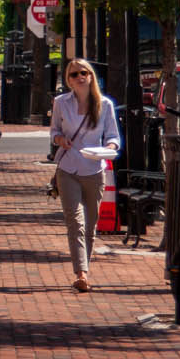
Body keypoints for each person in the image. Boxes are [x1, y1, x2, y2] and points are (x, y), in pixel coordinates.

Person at [50, 60, 121, 293]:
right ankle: (81, 273)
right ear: (68, 80)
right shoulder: (61, 103)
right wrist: (61, 140)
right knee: (75, 222)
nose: (79, 77)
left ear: (91, 76)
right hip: (68, 168)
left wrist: (108, 147)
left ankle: (84, 269)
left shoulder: (105, 105)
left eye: (84, 72)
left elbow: (113, 137)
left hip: (95, 168)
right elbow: (54, 132)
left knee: (90, 226)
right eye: (74, 74)